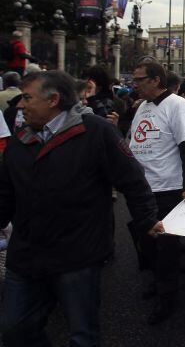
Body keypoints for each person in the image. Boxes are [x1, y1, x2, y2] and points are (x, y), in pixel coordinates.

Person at [0, 71, 162, 346]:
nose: (20, 105)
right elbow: (6, 193)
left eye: (27, 98)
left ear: (53, 100)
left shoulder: (96, 132)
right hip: (27, 254)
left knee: (82, 335)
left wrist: (147, 220)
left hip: (77, 255)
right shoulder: (19, 142)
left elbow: (132, 180)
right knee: (15, 329)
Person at [128, 61, 185, 325]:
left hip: (167, 188)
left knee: (166, 247)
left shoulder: (178, 106)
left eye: (139, 79)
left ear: (156, 80)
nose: (134, 84)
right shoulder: (142, 108)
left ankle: (167, 297)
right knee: (144, 242)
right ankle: (158, 281)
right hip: (141, 189)